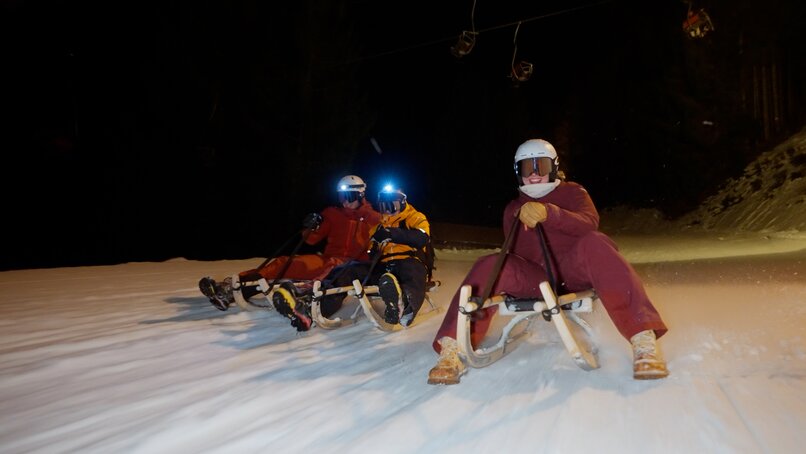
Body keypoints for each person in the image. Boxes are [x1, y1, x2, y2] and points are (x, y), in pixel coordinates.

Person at [427, 139, 669, 385]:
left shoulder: (574, 192)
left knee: (596, 242)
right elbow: (515, 252)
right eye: (526, 168)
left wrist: (550, 213)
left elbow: (588, 223)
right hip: (535, 278)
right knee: (490, 263)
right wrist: (517, 221)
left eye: (540, 166)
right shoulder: (513, 208)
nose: (533, 174)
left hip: (572, 271)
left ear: (553, 167)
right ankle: (452, 347)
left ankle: (642, 340)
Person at [199, 175, 381, 331]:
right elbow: (311, 239)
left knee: (329, 274)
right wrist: (312, 226)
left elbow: (381, 245)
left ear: (360, 195)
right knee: (286, 263)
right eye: (341, 196)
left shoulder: (373, 218)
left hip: (352, 264)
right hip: (327, 259)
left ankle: (303, 302)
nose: (344, 201)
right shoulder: (332, 214)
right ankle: (232, 289)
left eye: (348, 196)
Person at [323, 186, 432, 327]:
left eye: (391, 206)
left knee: (412, 271)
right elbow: (371, 254)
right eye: (383, 207)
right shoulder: (378, 228)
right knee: (348, 269)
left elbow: (422, 237)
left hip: (408, 261)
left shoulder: (414, 217)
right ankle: (321, 305)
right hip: (384, 268)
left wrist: (392, 234)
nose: (387, 211)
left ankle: (404, 306)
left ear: (401, 203)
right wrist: (374, 246)